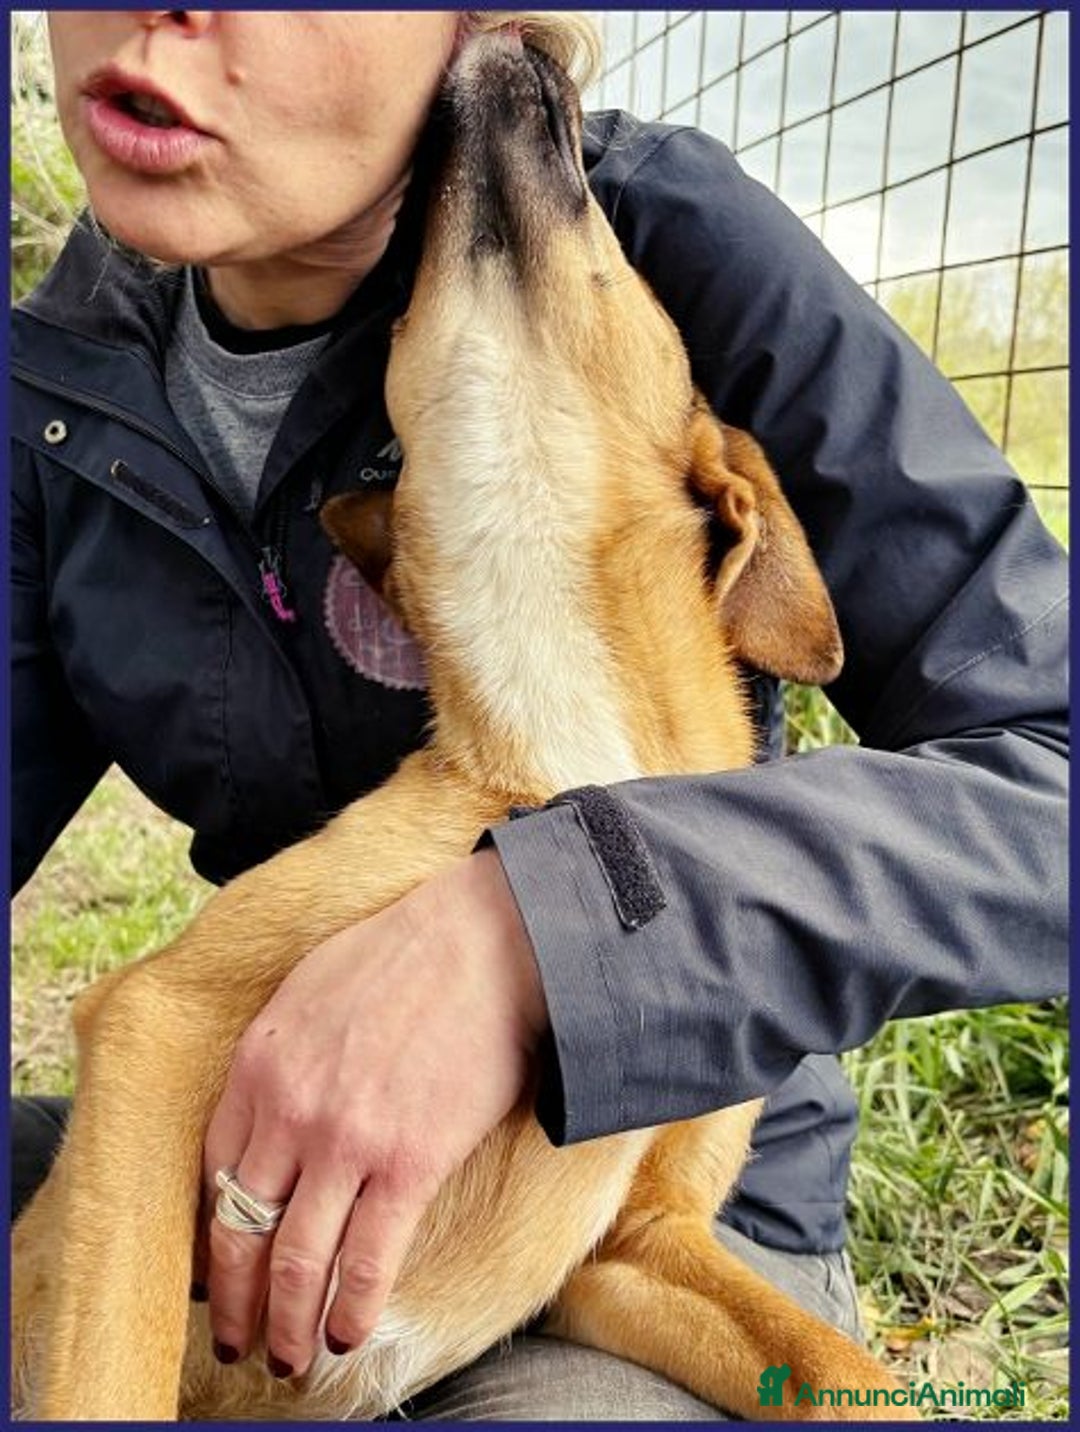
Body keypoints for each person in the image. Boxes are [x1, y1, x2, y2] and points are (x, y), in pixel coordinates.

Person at [11, 8, 1067, 1420]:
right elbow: (156, 1037)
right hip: (247, 1162)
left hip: (618, 1232)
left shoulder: (668, 239)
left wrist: (540, 933)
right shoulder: (56, 378)